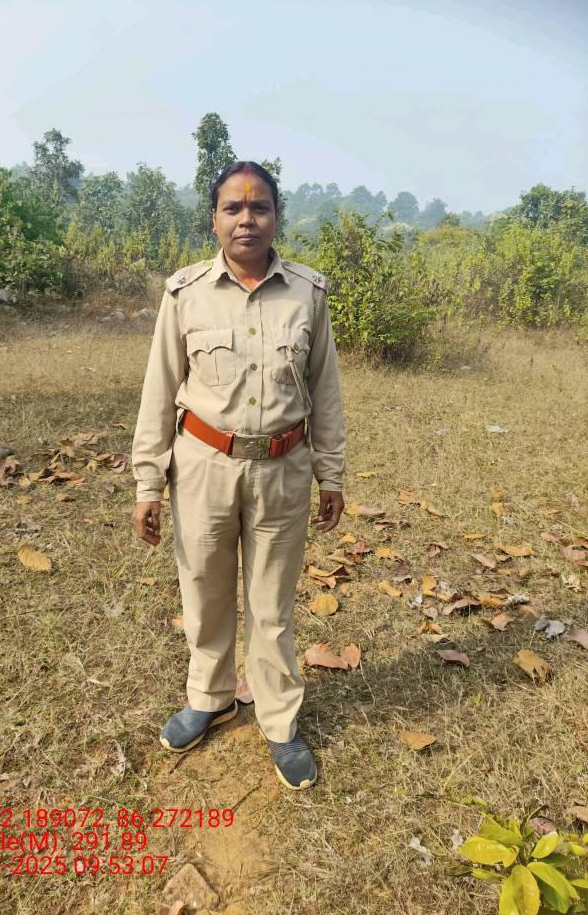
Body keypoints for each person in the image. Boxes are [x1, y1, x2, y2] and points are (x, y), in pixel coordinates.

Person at [131, 161, 346, 790]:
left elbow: (325, 392)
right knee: (204, 589)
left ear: (277, 217)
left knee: (272, 603)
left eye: (259, 207)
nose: (246, 219)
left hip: (284, 470)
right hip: (203, 467)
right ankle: (211, 696)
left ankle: (278, 720)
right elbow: (158, 390)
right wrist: (148, 481)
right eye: (233, 208)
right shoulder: (185, 293)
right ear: (214, 220)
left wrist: (331, 474)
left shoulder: (307, 294)